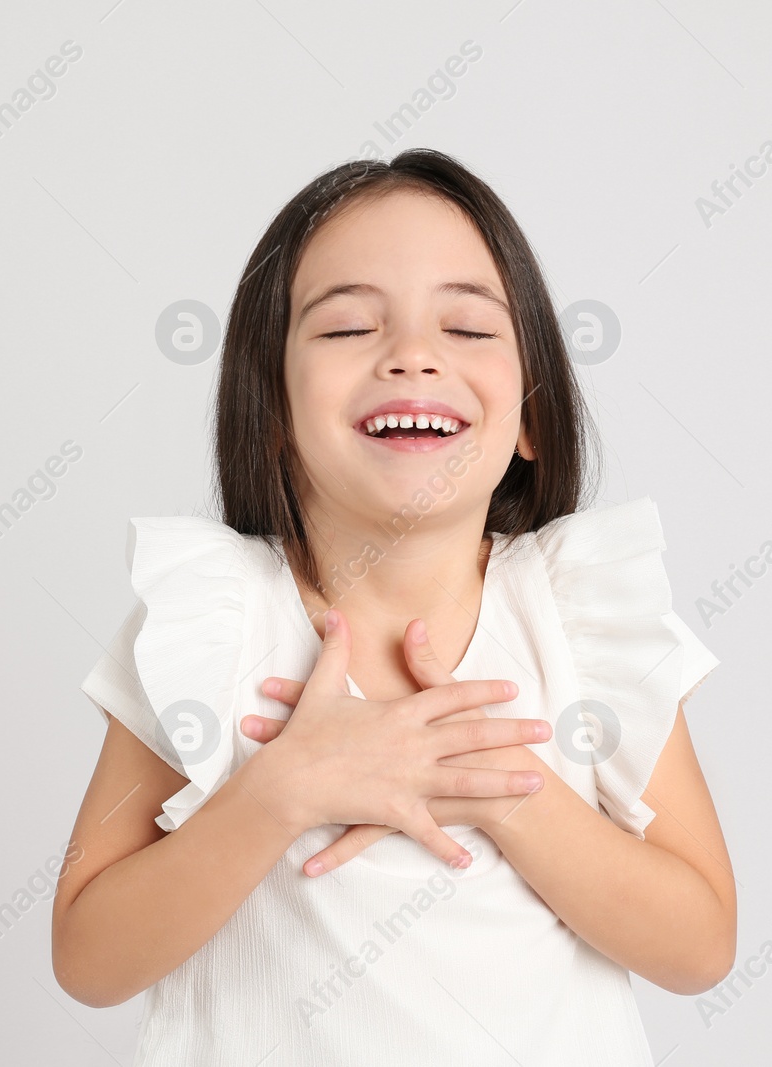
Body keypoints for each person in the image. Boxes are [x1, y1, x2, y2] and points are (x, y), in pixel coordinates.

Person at [51, 148, 736, 1065]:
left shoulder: (576, 619)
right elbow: (88, 955)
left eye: (467, 327)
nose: (413, 356)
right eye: (345, 330)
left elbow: (700, 944)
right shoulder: (209, 622)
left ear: (531, 414)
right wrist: (281, 790)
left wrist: (493, 789)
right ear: (272, 412)